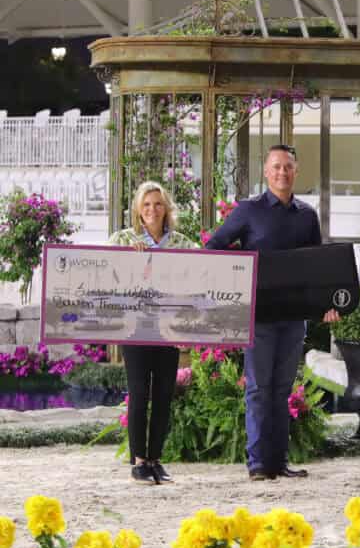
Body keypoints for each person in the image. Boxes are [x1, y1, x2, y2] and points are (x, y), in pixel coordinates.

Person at [206, 144, 324, 481]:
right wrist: (236, 281)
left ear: (296, 171)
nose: (282, 173)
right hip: (257, 316)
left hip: (294, 317)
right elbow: (213, 247)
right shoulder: (248, 210)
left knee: (282, 390)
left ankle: (278, 462)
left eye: (288, 167)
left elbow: (319, 266)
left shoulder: (307, 215)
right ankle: (258, 464)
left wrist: (323, 305)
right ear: (266, 171)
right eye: (276, 167)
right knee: (258, 389)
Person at [109, 181, 196, 485]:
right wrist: (129, 256)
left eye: (158, 204)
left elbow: (203, 269)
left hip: (169, 327)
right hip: (135, 327)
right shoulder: (123, 238)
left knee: (163, 394)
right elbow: (105, 267)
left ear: (166, 208)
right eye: (146, 204)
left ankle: (156, 459)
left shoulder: (183, 243)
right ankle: (139, 461)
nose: (152, 209)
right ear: (137, 209)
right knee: (139, 393)